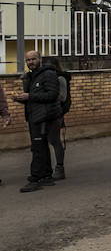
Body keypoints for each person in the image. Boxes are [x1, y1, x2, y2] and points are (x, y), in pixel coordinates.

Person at [14, 50, 62, 193]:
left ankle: (35, 179)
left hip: (43, 117)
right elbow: (33, 99)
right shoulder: (31, 77)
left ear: (40, 59)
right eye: (28, 60)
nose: (30, 62)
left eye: (33, 59)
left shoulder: (48, 74)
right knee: (41, 147)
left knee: (37, 148)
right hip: (34, 116)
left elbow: (52, 95)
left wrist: (29, 96)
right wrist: (21, 99)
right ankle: (46, 175)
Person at [45, 56, 72, 180]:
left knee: (55, 140)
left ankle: (59, 168)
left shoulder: (60, 78)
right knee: (48, 140)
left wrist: (46, 95)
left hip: (56, 113)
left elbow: (62, 97)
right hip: (45, 113)